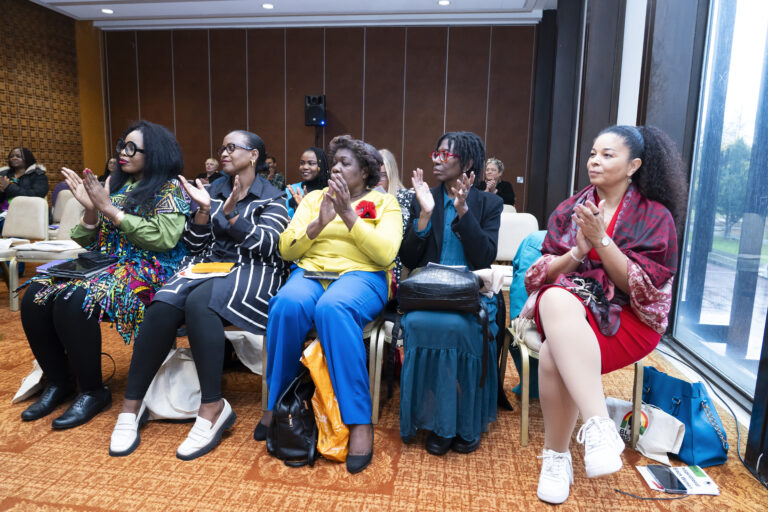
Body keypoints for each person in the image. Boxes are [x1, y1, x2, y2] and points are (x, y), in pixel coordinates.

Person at [525, 125, 686, 505]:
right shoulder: (571, 209)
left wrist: (601, 239)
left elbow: (641, 288)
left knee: (551, 353)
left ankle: (557, 456)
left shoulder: (656, 217)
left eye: (607, 154)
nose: (594, 161)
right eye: (593, 153)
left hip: (630, 318)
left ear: (634, 166)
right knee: (555, 297)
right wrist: (577, 252)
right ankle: (598, 425)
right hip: (571, 310)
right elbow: (542, 273)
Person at [109, 130, 289, 460]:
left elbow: (270, 246)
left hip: (254, 269)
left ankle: (211, 407)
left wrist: (232, 216)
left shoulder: (272, 197)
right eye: (222, 147)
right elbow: (193, 244)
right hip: (209, 265)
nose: (224, 153)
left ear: (253, 156)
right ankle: (131, 407)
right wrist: (204, 211)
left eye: (232, 147)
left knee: (199, 303)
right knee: (161, 305)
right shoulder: (213, 190)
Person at [18, 120, 189, 430]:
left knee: (74, 298)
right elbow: (87, 240)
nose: (123, 152)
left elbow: (164, 239)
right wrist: (91, 209)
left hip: (150, 268)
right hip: (106, 263)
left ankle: (93, 391)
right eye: (123, 145)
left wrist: (109, 209)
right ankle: (59, 381)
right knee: (34, 295)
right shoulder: (116, 184)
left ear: (155, 153)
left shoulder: (170, 188)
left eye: (132, 148)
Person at [254, 135, 402, 474]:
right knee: (286, 305)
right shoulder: (313, 199)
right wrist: (319, 222)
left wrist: (348, 214)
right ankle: (277, 404)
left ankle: (358, 421)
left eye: (345, 163)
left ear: (364, 172)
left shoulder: (384, 203)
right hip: (311, 273)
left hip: (361, 276)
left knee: (332, 309)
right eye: (334, 163)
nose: (336, 168)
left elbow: (384, 255)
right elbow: (287, 249)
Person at [398, 131, 503, 456]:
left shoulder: (489, 203)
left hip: (472, 296)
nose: (437, 159)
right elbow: (409, 258)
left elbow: (484, 256)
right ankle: (438, 419)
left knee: (459, 327)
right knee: (418, 323)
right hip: (429, 294)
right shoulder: (423, 198)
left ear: (467, 162)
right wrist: (425, 215)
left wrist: (463, 211)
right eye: (436, 153)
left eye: (446, 154)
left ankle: (460, 421)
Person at [378, 148, 413, 283]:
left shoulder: (406, 197)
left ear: (391, 174)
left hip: (399, 266)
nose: (377, 180)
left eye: (382, 175)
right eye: (373, 174)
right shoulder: (364, 198)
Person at [0, 147, 49, 221]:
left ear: (27, 158)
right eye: (11, 156)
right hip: (6, 212)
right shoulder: (4, 174)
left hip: (32, 214)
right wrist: (1, 191)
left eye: (18, 156)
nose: (14, 158)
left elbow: (37, 195)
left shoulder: (38, 175)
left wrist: (8, 187)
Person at [285, 147, 329, 217]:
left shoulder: (330, 192)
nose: (305, 167)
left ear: (321, 165)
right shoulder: (290, 190)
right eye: (302, 163)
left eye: (311, 163)